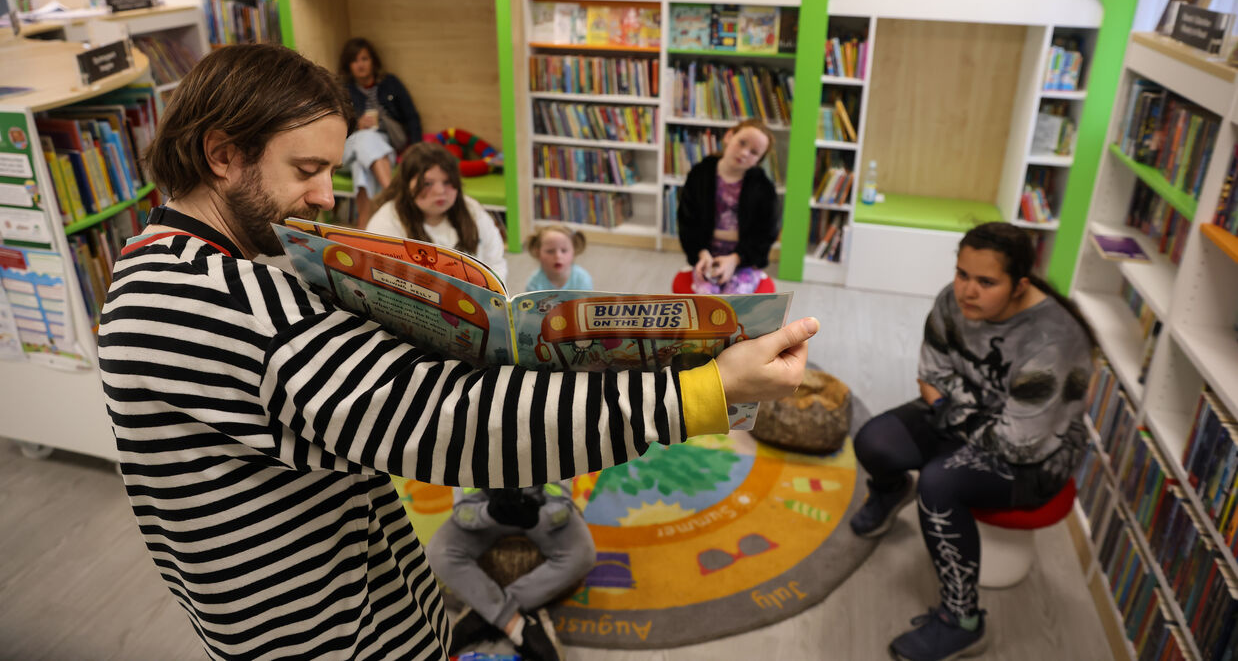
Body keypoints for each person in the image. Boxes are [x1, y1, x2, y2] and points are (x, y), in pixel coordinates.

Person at [96, 43, 818, 661]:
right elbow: (458, 425)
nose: (324, 196)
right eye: (306, 169)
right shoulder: (233, 300)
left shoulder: (154, 264)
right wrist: (706, 390)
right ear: (222, 154)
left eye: (332, 170)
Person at [848, 222, 1096, 661]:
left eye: (986, 281)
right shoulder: (954, 300)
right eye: (962, 273)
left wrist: (949, 406)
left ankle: (964, 621)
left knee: (939, 484)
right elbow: (930, 374)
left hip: (1037, 460)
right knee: (872, 441)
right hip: (975, 423)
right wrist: (957, 406)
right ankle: (891, 492)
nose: (966, 291)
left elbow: (1018, 444)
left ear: (1020, 285)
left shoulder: (1053, 341)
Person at [426, 480, 594, 660]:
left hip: (539, 512)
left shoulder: (552, 450)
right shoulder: (469, 453)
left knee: (583, 554)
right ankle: (514, 623)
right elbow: (463, 511)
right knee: (437, 552)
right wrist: (489, 513)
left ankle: (485, 613)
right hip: (488, 514)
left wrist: (538, 517)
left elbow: (561, 504)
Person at [366, 141, 509, 284]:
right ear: (407, 184)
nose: (440, 191)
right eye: (427, 183)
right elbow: (379, 277)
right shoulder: (387, 221)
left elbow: (495, 263)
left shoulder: (471, 209)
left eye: (447, 182)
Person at [676, 118, 780, 294]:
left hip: (743, 258)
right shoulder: (700, 174)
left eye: (754, 152)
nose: (745, 153)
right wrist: (701, 254)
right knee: (705, 298)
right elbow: (687, 220)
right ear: (729, 136)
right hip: (707, 254)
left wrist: (735, 259)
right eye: (742, 143)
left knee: (735, 301)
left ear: (758, 160)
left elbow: (766, 234)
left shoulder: (764, 188)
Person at [339, 37, 423, 227]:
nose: (360, 65)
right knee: (365, 138)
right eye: (354, 61)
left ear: (373, 61)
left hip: (385, 145)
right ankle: (393, 194)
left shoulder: (391, 83)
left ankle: (364, 225)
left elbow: (412, 117)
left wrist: (417, 150)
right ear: (348, 65)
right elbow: (333, 127)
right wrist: (355, 124)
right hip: (350, 146)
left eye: (364, 59)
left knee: (362, 167)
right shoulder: (343, 90)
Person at [524, 224, 592, 291]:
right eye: (550, 251)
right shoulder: (534, 284)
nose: (558, 256)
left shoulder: (582, 280)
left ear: (574, 251)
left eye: (564, 251)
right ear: (538, 253)